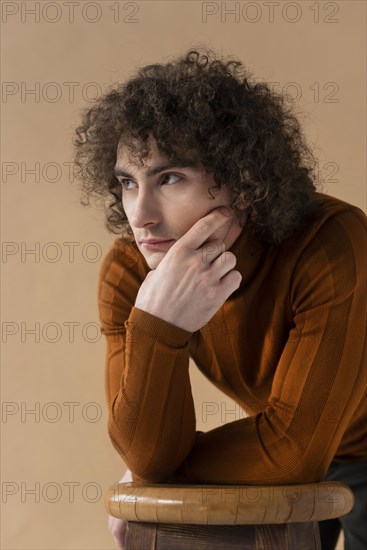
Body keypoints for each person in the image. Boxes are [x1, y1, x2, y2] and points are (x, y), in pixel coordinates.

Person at [73, 47, 367, 550]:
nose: (140, 215)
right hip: (285, 456)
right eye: (127, 182)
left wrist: (162, 471)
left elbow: (294, 452)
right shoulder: (130, 273)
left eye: (170, 178)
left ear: (244, 182)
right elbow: (146, 454)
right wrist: (155, 322)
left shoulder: (331, 240)